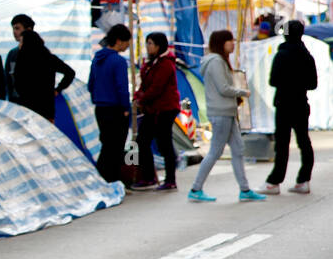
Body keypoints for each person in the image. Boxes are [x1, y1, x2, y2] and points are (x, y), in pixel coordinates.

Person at [189, 30, 265, 202]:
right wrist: (242, 92)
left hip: (227, 112)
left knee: (238, 149)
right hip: (221, 112)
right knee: (215, 152)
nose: (233, 43)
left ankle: (244, 189)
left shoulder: (218, 61)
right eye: (230, 40)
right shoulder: (216, 62)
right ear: (221, 43)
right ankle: (196, 187)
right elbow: (223, 88)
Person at [262, 20, 317, 194]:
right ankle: (304, 179)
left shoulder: (282, 55)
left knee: (282, 144)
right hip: (301, 103)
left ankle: (274, 181)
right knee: (304, 141)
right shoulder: (307, 56)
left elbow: (273, 80)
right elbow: (313, 84)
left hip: (284, 104)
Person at [132, 32, 182, 191]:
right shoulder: (150, 63)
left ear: (159, 46)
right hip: (152, 109)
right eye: (147, 43)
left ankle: (170, 180)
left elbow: (156, 88)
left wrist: (141, 98)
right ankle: (149, 177)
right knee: (143, 141)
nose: (148, 46)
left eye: (151, 43)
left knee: (164, 144)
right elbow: (145, 86)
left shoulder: (166, 64)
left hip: (164, 109)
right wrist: (138, 95)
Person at [88, 24, 132, 184]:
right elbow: (122, 87)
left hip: (100, 109)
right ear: (119, 41)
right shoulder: (118, 61)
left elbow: (90, 85)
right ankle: (109, 180)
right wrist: (126, 108)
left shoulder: (97, 59)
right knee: (115, 148)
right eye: (127, 41)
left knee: (107, 145)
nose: (128, 45)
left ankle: (104, 179)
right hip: (116, 109)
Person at [10, 21, 76, 122]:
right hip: (46, 107)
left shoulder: (22, 61)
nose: (20, 45)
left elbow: (17, 83)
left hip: (27, 108)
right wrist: (58, 89)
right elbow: (70, 72)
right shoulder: (49, 58)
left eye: (21, 42)